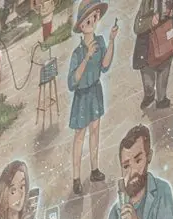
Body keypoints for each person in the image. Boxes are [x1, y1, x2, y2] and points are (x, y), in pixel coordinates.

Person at [67, 2, 119, 196]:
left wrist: (111, 40)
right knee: (80, 135)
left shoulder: (100, 42)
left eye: (94, 18)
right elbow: (72, 82)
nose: (91, 22)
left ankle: (94, 169)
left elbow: (105, 65)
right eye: (87, 20)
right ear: (81, 25)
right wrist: (87, 57)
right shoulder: (77, 53)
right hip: (82, 96)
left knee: (95, 130)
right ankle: (76, 178)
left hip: (95, 91)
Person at [132, 0, 173, 112]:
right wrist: (150, 21)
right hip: (147, 44)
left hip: (165, 36)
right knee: (147, 73)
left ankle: (161, 98)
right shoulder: (147, 4)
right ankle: (149, 95)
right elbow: (137, 27)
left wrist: (172, 10)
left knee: (164, 67)